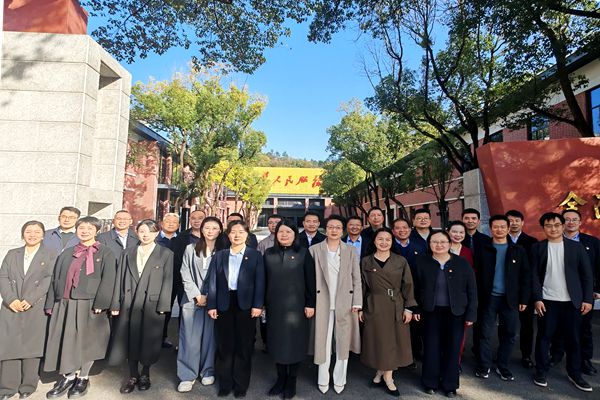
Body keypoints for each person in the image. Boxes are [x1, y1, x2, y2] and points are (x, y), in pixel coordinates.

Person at [44, 216, 118, 399]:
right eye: (81, 228)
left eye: (90, 228)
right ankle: (68, 376)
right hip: (66, 302)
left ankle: (83, 377)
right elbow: (56, 278)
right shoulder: (68, 252)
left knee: (88, 341)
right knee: (67, 340)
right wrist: (51, 302)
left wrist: (102, 303)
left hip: (90, 304)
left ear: (97, 231)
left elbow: (109, 280)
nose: (85, 231)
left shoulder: (105, 253)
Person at [109, 219, 174, 394]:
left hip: (152, 303)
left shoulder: (165, 253)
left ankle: (145, 373)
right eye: (142, 231)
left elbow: (168, 280)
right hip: (129, 301)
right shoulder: (128, 252)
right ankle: (132, 374)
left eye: (150, 231)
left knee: (149, 339)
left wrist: (164, 304)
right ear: (137, 232)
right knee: (129, 338)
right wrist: (115, 303)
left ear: (156, 233)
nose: (146, 235)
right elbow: (119, 278)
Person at [532, 212, 594, 392]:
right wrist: (537, 298)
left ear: (562, 226)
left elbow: (587, 275)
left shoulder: (576, 247)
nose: (553, 229)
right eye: (548, 225)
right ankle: (541, 371)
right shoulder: (538, 248)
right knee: (544, 337)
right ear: (543, 228)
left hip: (572, 302)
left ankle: (575, 373)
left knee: (573, 339)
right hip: (547, 302)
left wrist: (587, 299)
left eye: (557, 225)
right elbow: (534, 276)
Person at [413, 231, 477, 398]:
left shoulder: (461, 263)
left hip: (456, 313)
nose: (439, 245)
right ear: (429, 244)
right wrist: (416, 309)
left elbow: (472, 289)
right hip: (430, 312)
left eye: (443, 242)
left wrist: (471, 314)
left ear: (449, 243)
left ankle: (450, 385)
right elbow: (415, 288)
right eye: (435, 242)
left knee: (453, 348)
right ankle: (430, 382)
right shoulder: (422, 262)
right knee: (431, 347)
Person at [207, 220, 265, 398]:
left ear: (247, 235)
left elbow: (260, 282)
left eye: (241, 232)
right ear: (228, 234)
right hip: (224, 303)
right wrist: (212, 305)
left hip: (246, 305)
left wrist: (257, 305)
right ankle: (225, 383)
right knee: (225, 345)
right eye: (233, 232)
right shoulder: (220, 255)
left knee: (244, 345)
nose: (237, 235)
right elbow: (212, 282)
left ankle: (241, 385)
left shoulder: (255, 255)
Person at [0, 221, 57, 400]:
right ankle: (7, 387)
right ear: (23, 234)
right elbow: (3, 276)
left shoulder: (50, 254)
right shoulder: (12, 253)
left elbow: (49, 278)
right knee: (9, 345)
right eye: (28, 231)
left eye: (37, 232)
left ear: (43, 235)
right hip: (11, 306)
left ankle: (28, 386)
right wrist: (10, 299)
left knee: (31, 346)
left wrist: (30, 299)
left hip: (35, 306)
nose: (32, 235)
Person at [359, 228, 416, 397]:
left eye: (388, 239)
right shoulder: (366, 261)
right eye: (380, 239)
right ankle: (380, 372)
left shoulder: (400, 260)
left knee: (393, 342)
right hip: (374, 304)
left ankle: (387, 377)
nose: (384, 242)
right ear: (374, 241)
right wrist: (360, 307)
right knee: (378, 341)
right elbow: (361, 286)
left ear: (392, 242)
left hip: (396, 304)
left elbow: (408, 285)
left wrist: (409, 308)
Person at [310, 215, 362, 395]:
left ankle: (340, 379)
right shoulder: (314, 250)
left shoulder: (350, 250)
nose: (334, 230)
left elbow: (357, 278)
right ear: (325, 229)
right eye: (331, 227)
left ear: (343, 230)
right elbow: (309, 279)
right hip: (322, 302)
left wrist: (357, 302)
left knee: (342, 342)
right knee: (323, 342)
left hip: (345, 302)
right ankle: (323, 378)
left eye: (338, 227)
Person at [474, 215, 530, 382]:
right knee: (484, 333)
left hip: (510, 299)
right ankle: (484, 365)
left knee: (509, 334)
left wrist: (524, 299)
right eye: (496, 227)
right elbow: (476, 275)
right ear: (491, 229)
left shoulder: (518, 250)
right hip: (488, 298)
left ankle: (502, 365)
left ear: (508, 228)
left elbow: (525, 276)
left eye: (502, 227)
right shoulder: (483, 249)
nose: (499, 230)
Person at [264, 221, 316, 399]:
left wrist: (310, 304)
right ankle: (281, 378)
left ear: (295, 235)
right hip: (274, 307)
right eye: (281, 232)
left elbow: (311, 281)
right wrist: (261, 304)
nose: (284, 235)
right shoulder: (268, 254)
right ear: (276, 234)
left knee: (295, 345)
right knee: (277, 344)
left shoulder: (303, 253)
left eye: (288, 232)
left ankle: (292, 380)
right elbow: (263, 280)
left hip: (297, 308)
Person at [176, 217, 225, 393]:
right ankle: (187, 375)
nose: (210, 231)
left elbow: (224, 277)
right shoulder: (191, 248)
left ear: (220, 230)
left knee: (210, 338)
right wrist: (197, 295)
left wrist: (210, 296)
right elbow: (185, 272)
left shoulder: (223, 251)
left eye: (214, 228)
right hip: (192, 299)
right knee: (189, 338)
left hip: (214, 300)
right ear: (201, 230)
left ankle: (207, 371)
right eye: (207, 228)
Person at [549, 210, 600, 375]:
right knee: (558, 326)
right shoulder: (554, 241)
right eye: (567, 219)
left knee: (584, 327)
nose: (570, 222)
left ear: (580, 222)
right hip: (558, 291)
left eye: (574, 219)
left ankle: (585, 359)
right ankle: (556, 354)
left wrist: (597, 289)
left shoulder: (592, 242)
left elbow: (598, 267)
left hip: (584, 292)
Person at [505, 209, 538, 369]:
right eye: (510, 221)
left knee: (526, 325)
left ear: (522, 223)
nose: (513, 223)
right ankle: (503, 354)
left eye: (516, 220)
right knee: (505, 324)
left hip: (525, 290)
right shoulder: (500, 240)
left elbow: (532, 269)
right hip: (505, 291)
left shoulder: (532, 242)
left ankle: (526, 355)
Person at [391, 217, 426, 364]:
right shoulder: (389, 245)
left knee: (415, 325)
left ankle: (414, 353)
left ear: (410, 229)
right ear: (393, 231)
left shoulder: (421, 246)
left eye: (405, 227)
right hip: (395, 291)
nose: (402, 230)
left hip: (416, 290)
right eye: (398, 228)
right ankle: (398, 355)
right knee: (397, 325)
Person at [155, 212, 180, 349]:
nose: (171, 224)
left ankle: (163, 337)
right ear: (161, 223)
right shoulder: (154, 238)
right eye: (168, 221)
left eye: (174, 222)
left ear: (178, 225)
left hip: (175, 280)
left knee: (167, 309)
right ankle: (151, 337)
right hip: (156, 279)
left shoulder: (181, 239)